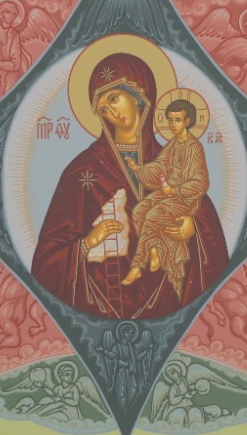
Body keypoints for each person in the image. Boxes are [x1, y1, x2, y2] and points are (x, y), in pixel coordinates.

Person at [30, 52, 228, 320]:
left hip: (168, 299)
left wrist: (192, 229)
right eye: (102, 108)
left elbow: (204, 219)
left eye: (113, 98)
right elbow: (45, 264)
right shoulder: (82, 171)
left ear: (139, 95)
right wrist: (87, 244)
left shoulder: (175, 155)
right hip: (106, 301)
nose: (110, 112)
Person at [122, 98, 209, 300]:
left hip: (184, 198)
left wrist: (175, 190)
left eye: (177, 120)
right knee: (139, 211)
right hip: (167, 193)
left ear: (187, 121)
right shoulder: (172, 144)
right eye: (170, 120)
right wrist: (139, 169)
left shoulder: (194, 148)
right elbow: (159, 167)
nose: (173, 124)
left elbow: (200, 182)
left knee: (153, 215)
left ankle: (137, 264)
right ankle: (155, 247)